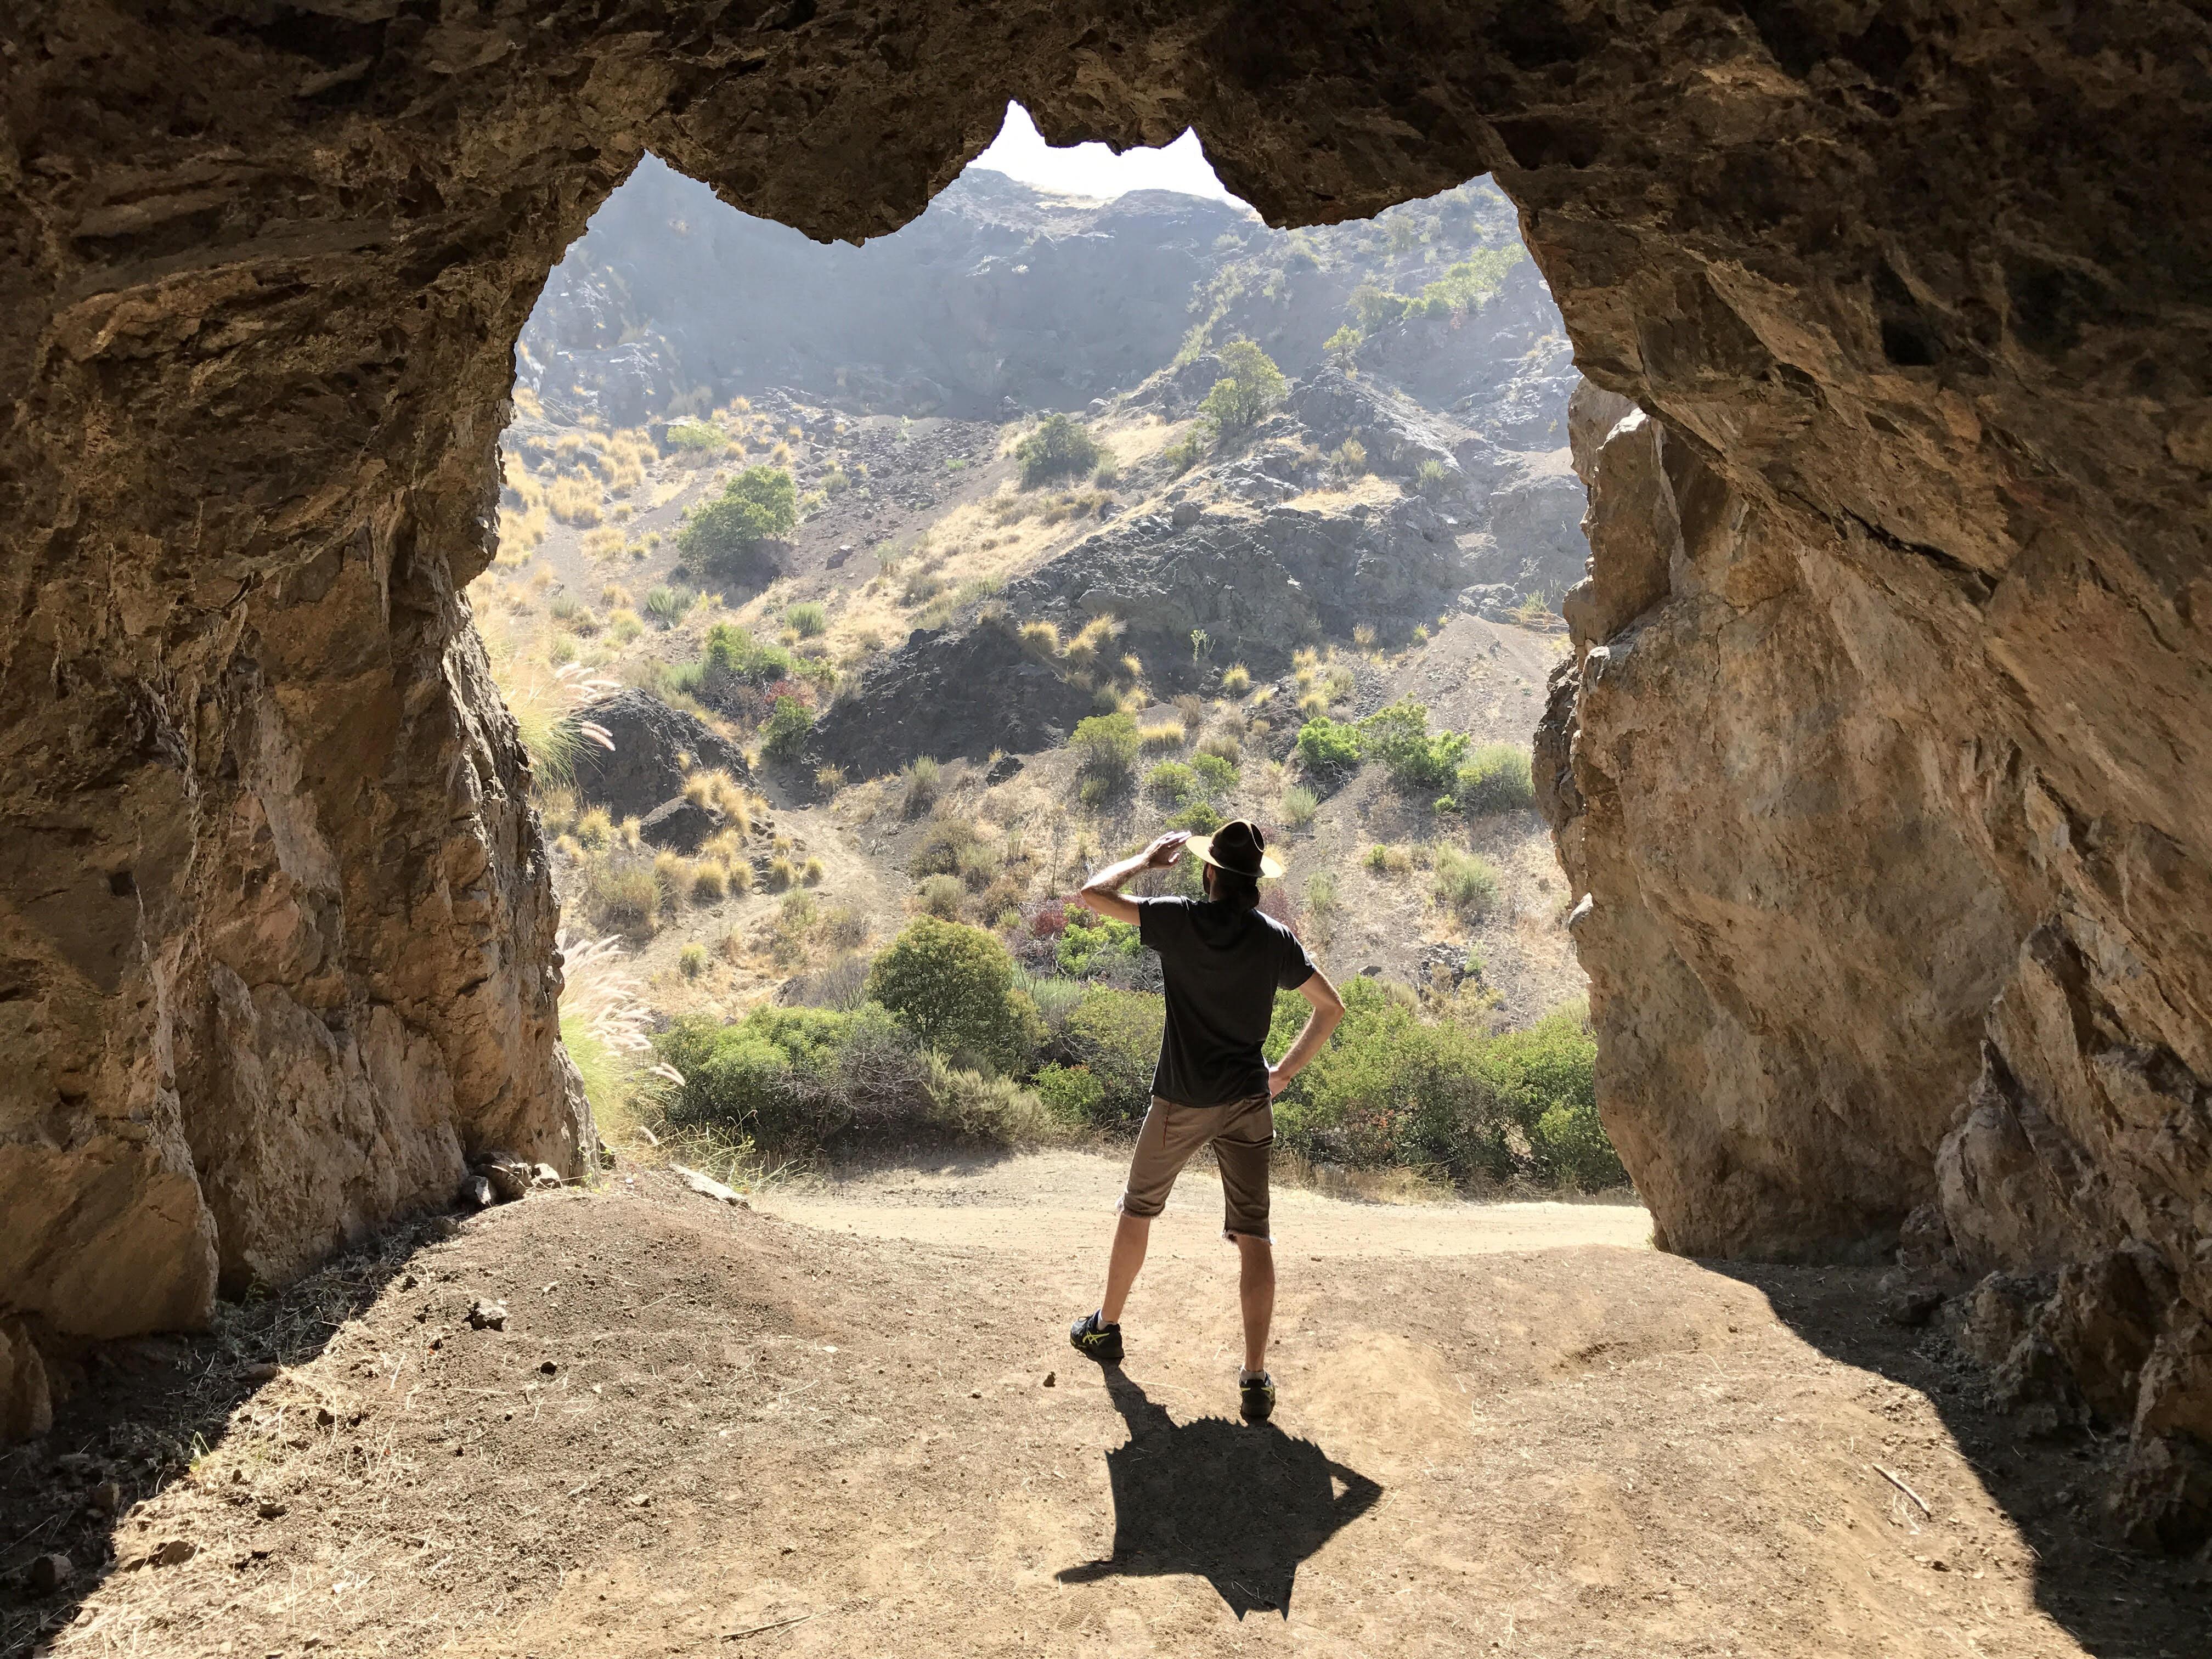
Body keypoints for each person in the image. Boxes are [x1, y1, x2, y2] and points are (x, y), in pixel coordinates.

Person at [1065, 819, 1344, 1422]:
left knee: (1138, 1207)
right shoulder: (1275, 939)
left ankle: (1105, 1329)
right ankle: (1254, 1379)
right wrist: (1283, 1074)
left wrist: (1143, 860)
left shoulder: (1181, 920)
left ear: (1210, 873)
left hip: (1183, 1097)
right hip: (1248, 1098)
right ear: (1256, 884)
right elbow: (1331, 1008)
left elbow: (1091, 894)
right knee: (1255, 1236)